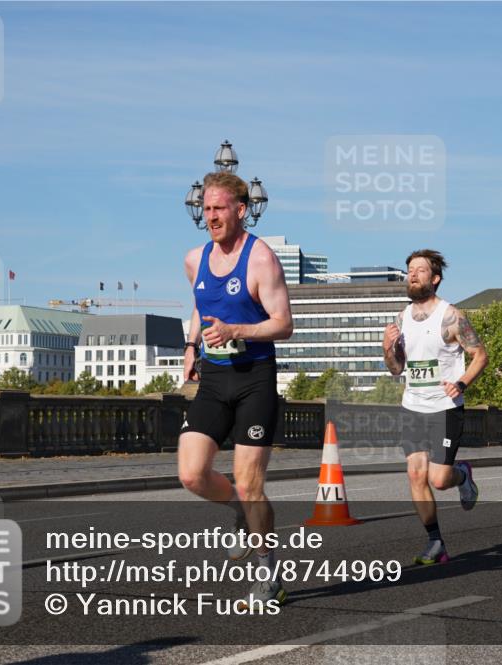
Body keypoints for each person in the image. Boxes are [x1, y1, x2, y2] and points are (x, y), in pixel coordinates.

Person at [178, 171, 294, 606]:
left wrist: (236, 329)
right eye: (205, 209)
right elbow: (200, 306)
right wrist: (192, 346)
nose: (211, 217)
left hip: (254, 380)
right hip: (213, 378)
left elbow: (284, 324)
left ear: (241, 210)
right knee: (191, 474)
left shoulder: (261, 259)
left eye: (219, 208)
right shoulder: (195, 259)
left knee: (251, 485)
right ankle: (239, 513)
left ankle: (268, 576)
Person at [382, 249, 488, 565]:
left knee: (439, 480)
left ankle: (462, 476)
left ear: (435, 278)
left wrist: (462, 383)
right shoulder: (400, 319)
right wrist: (388, 346)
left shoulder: (451, 316)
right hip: (413, 405)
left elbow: (480, 355)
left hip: (445, 406)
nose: (412, 275)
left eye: (420, 270)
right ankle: (435, 542)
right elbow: (396, 369)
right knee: (416, 474)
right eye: (410, 270)